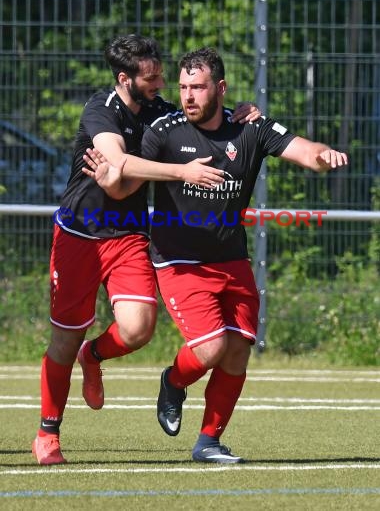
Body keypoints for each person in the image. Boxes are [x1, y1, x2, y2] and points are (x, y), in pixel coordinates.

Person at [84, 46, 348, 464]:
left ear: (220, 88)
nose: (188, 95)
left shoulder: (251, 128)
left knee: (239, 349)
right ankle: (172, 382)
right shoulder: (165, 132)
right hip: (179, 261)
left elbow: (304, 149)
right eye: (184, 87)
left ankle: (208, 441)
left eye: (198, 87)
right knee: (210, 349)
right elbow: (124, 189)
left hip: (231, 260)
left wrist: (322, 156)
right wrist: (109, 178)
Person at [32, 35, 260, 466]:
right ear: (125, 79)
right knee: (64, 337)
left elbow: (204, 118)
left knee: (138, 330)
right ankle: (48, 433)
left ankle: (93, 355)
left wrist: (241, 115)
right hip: (79, 235)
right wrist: (180, 171)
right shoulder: (100, 110)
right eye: (151, 77)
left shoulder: (160, 112)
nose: (160, 83)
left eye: (160, 75)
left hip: (130, 236)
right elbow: (117, 163)